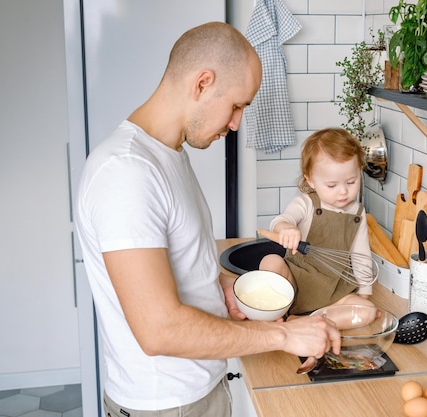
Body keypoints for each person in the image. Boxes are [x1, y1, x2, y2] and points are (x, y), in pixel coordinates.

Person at [74, 22, 341, 417]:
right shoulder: (127, 172)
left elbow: (179, 267)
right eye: (236, 105)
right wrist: (283, 334)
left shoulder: (167, 157)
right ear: (202, 83)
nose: (236, 124)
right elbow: (159, 329)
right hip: (166, 406)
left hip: (193, 394)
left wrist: (227, 288)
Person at [259, 128, 375, 315]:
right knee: (270, 262)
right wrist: (286, 228)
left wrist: (364, 294)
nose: (343, 191)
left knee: (367, 311)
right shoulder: (306, 204)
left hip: (334, 291)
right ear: (311, 180)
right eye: (332, 185)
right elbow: (281, 220)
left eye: (351, 181)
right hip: (295, 285)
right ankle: (281, 312)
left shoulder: (357, 213)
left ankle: (309, 320)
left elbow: (361, 257)